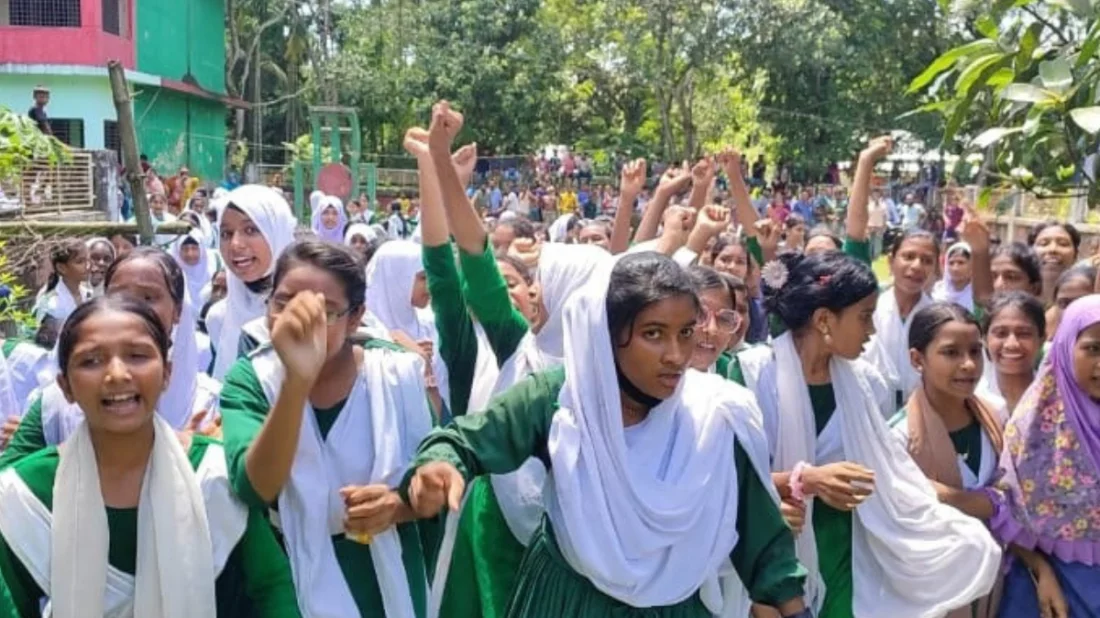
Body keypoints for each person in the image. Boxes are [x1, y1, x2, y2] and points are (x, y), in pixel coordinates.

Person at [403, 252, 812, 618]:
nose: (676, 354)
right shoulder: (563, 400)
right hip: (566, 602)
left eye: (685, 332)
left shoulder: (717, 416)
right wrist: (439, 465)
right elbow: (465, 440)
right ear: (607, 336)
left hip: (675, 606)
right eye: (653, 334)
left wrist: (793, 608)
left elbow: (763, 542)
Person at [735, 251, 1001, 618]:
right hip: (770, 550)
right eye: (864, 317)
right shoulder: (748, 378)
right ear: (824, 320)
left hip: (848, 550)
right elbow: (728, 482)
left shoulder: (865, 384)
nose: (871, 331)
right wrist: (805, 480)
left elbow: (892, 477)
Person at [0, 296, 300, 617]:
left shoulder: (213, 477)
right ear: (65, 386)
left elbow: (272, 590)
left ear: (167, 373)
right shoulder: (25, 495)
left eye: (137, 356)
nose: (117, 374)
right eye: (91, 361)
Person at [220, 240, 436, 617]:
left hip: (384, 572)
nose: (300, 321)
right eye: (284, 304)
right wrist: (295, 382)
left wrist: (399, 505)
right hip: (291, 572)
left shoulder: (396, 374)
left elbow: (436, 470)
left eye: (324, 311)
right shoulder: (252, 378)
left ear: (356, 318)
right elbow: (255, 487)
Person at [0, 248, 221, 467]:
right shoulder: (55, 407)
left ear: (177, 311)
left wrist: (200, 458)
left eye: (148, 297)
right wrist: (43, 459)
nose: (133, 308)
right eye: (119, 296)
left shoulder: (212, 405)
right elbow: (9, 486)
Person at [888, 302, 1005, 618]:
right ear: (917, 359)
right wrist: (985, 502)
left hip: (997, 584)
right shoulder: (899, 437)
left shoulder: (997, 418)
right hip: (929, 593)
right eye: (951, 353)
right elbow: (901, 501)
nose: (969, 365)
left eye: (975, 351)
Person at [988, 294, 1100, 618]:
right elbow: (1007, 510)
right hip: (1047, 593)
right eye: (1093, 348)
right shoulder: (1035, 426)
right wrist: (1041, 571)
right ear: (1065, 348)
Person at [207, 185, 297, 380]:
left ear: (277, 230)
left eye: (250, 230)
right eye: (226, 234)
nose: (235, 244)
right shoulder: (218, 319)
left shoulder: (311, 311)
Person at [864, 230, 938, 405]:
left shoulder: (938, 319)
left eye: (927, 261)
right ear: (891, 261)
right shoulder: (870, 310)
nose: (917, 266)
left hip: (921, 414)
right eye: (909, 256)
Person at [978, 292, 1045, 413]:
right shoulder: (973, 398)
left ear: (1041, 339)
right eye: (1001, 333)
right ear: (984, 339)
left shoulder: (1056, 398)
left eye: (1024, 334)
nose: (1012, 344)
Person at [32, 240, 90, 331]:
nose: (88, 266)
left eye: (87, 260)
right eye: (80, 262)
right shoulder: (50, 305)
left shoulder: (89, 295)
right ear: (61, 268)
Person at [1028, 222, 1080, 306]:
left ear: (1076, 254)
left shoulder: (1086, 299)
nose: (1053, 249)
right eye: (1043, 244)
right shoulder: (1016, 297)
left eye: (1063, 244)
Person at [173, 230, 219, 313]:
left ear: (202, 249)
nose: (190, 254)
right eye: (185, 249)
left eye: (194, 248)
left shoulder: (214, 270)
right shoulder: (173, 275)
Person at [933, 242, 975, 312]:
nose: (955, 268)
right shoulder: (937, 292)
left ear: (972, 265)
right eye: (951, 263)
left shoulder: (978, 296)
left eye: (961, 262)